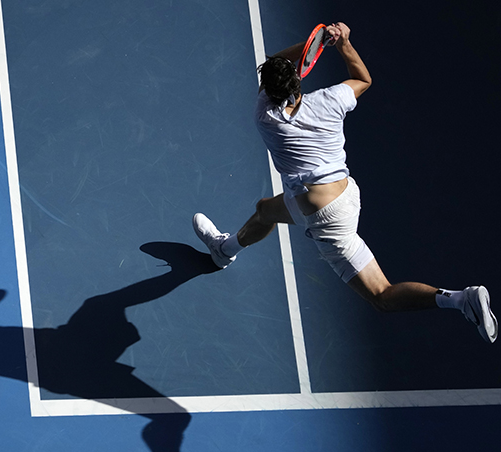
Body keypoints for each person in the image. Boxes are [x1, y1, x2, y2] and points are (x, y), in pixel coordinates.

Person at [192, 22, 497, 343]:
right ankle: (224, 251)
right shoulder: (331, 100)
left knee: (381, 295)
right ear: (298, 80)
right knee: (265, 210)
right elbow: (363, 78)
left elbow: (275, 63)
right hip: (346, 192)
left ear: (269, 89)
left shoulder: (265, 116)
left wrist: (314, 44)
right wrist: (343, 43)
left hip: (325, 215)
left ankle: (460, 300)